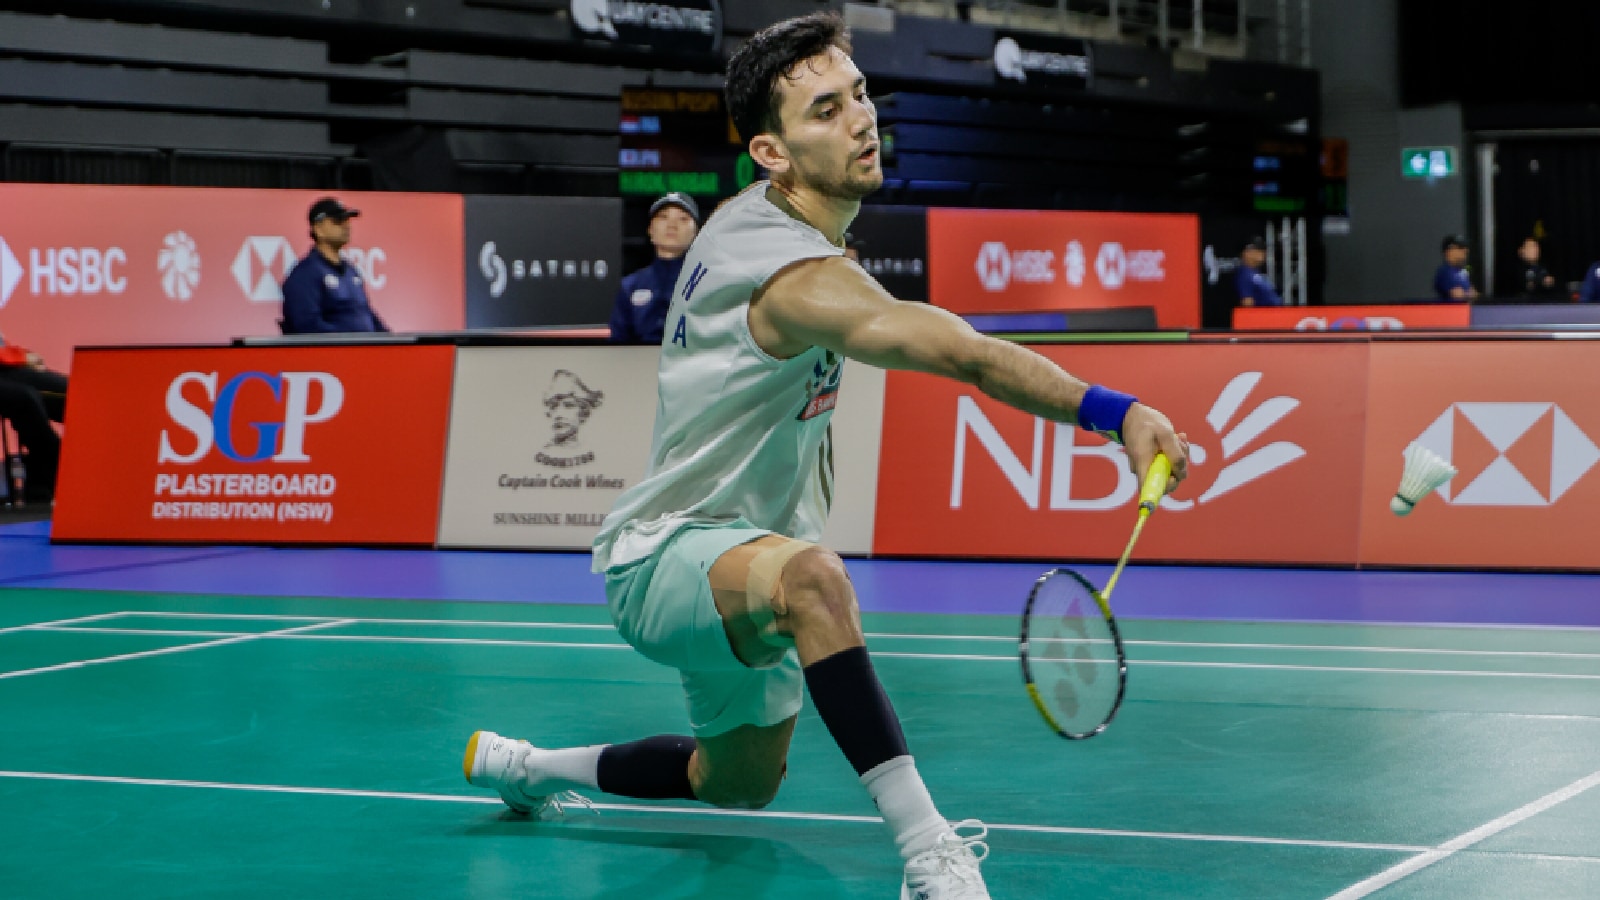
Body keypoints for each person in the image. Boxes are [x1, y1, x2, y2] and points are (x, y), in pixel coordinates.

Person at [463, 14, 1190, 899]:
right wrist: (1115, 412)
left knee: (736, 783)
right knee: (817, 582)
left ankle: (530, 768)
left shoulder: (766, 219)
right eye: (825, 110)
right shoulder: (789, 275)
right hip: (665, 556)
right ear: (770, 152)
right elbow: (959, 352)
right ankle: (931, 854)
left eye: (860, 95)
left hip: (745, 555)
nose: (861, 119)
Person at [280, 198, 390, 334]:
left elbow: (366, 313)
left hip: (364, 346)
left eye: (347, 220)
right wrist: (350, 340)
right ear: (318, 229)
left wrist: (390, 340)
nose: (346, 226)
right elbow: (308, 327)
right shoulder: (305, 275)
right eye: (338, 221)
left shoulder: (351, 271)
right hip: (335, 347)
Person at [609, 193, 700, 344]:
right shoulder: (630, 286)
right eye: (663, 217)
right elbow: (617, 342)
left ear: (695, 233)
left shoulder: (707, 285)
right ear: (650, 229)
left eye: (683, 218)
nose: (672, 225)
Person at [0, 332, 68, 505]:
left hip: (5, 367)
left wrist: (20, 354)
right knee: (25, 398)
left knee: (73, 392)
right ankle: (53, 469)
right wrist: (20, 357)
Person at [1234, 236, 1284, 307]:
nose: (1263, 253)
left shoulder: (1256, 272)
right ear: (1247, 253)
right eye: (1258, 250)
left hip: (1275, 311)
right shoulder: (1244, 275)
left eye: (1263, 250)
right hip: (1263, 313)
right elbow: (1247, 303)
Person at [1433, 235, 1478, 301]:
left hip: (1466, 307)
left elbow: (1474, 293)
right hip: (1451, 307)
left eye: (1465, 248)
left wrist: (1468, 293)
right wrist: (1469, 293)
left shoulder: (1463, 271)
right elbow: (1457, 295)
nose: (1465, 250)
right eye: (1460, 247)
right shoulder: (1445, 272)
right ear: (1449, 251)